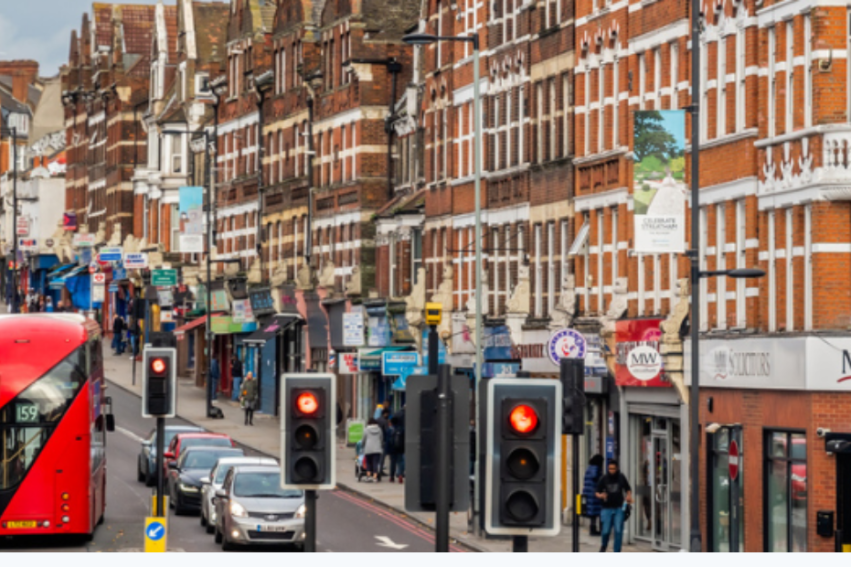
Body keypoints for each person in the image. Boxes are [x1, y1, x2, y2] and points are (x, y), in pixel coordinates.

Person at [595, 459, 633, 553]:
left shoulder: (621, 477)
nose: (611, 471)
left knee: (618, 530)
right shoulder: (604, 478)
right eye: (610, 469)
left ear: (617, 468)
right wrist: (601, 495)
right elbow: (596, 492)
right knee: (606, 531)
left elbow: (628, 488)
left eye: (613, 469)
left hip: (619, 508)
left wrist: (628, 496)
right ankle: (604, 545)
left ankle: (617, 551)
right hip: (606, 508)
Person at [582, 454, 604, 536]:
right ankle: (601, 529)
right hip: (594, 493)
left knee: (593, 513)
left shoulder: (589, 468)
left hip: (588, 493)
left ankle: (593, 529)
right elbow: (596, 477)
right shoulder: (596, 468)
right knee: (601, 511)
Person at [362, 418, 384, 482]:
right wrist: (381, 445)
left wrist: (363, 445)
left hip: (368, 448)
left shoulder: (366, 429)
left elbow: (363, 439)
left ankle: (368, 477)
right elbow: (381, 439)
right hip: (377, 449)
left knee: (368, 463)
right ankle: (375, 478)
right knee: (375, 463)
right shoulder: (379, 430)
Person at [387, 415, 405, 483]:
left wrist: (387, 450)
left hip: (392, 449)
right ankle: (400, 474)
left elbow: (388, 441)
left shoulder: (389, 430)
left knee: (392, 463)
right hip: (400, 448)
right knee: (400, 462)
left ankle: (391, 477)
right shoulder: (402, 429)